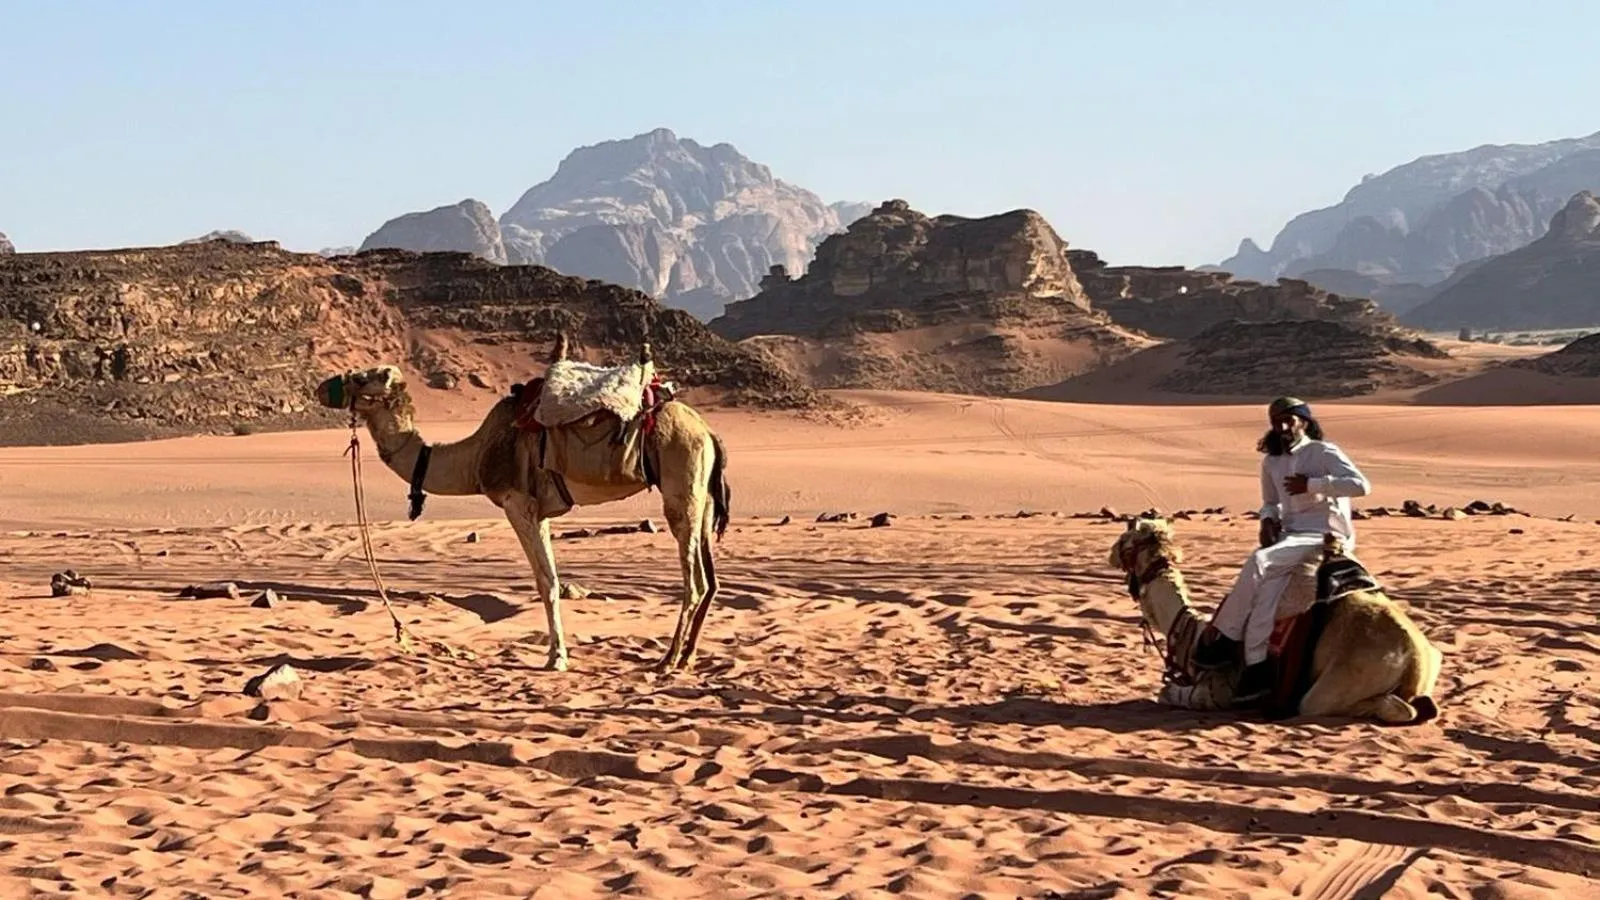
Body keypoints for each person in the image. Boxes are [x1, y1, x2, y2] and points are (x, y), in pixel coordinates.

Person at [1192, 396, 1372, 701]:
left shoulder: (1323, 452)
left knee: (1260, 562)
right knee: (1265, 601)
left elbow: (1360, 486)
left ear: (1304, 421)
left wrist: (1313, 485)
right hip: (1289, 538)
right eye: (1278, 422)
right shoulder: (1271, 461)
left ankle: (1224, 635)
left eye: (1290, 420)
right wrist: (1267, 520)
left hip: (1325, 536)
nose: (1284, 427)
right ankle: (1257, 670)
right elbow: (1270, 502)